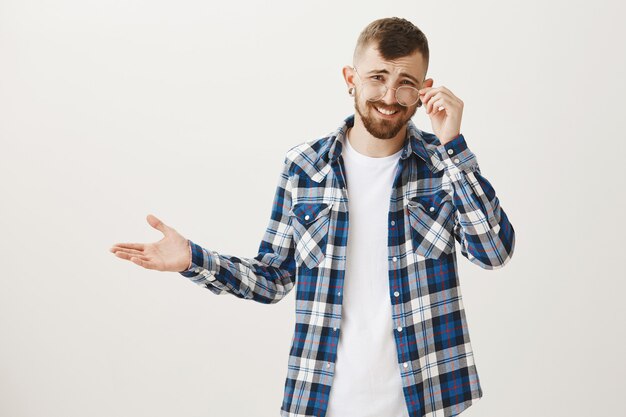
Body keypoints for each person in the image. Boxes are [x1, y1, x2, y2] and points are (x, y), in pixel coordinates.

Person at [110, 17, 515, 417]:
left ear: (425, 90)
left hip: (427, 400)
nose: (390, 95)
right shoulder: (304, 167)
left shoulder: (443, 165)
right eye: (377, 77)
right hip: (322, 400)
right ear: (350, 78)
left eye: (406, 82)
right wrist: (193, 260)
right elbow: (273, 278)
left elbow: (493, 252)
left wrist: (453, 147)